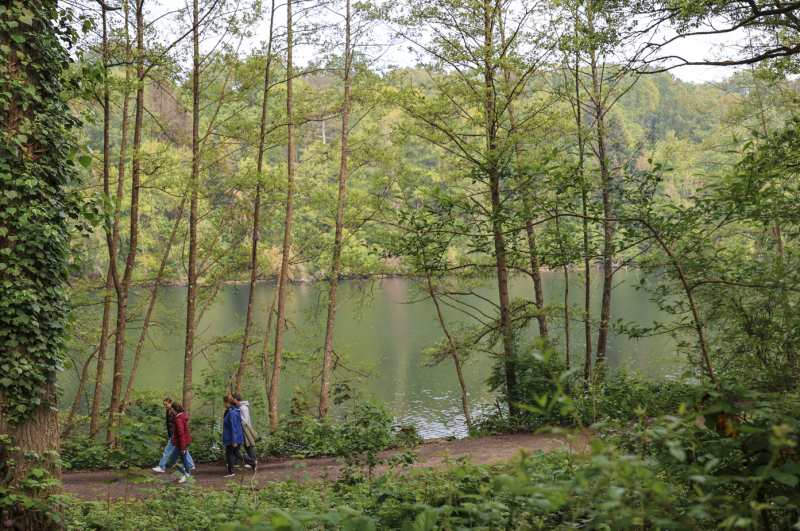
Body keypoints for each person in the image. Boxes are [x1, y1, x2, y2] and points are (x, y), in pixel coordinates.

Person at [152, 397, 195, 474]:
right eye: (164, 405)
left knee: (169, 452)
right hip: (174, 436)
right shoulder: (169, 412)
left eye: (166, 404)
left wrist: (174, 436)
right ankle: (190, 466)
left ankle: (162, 467)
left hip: (176, 436)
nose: (165, 406)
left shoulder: (175, 415)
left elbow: (180, 430)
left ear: (171, 404)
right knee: (183, 451)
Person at [222, 395, 256, 478]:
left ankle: (231, 472)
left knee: (229, 454)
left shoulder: (232, 412)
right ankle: (252, 463)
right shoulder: (234, 410)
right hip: (235, 436)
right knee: (236, 453)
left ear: (227, 402)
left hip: (232, 437)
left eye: (224, 402)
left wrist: (234, 441)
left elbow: (234, 427)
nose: (223, 404)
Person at [168, 402, 193, 484]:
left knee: (173, 459)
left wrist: (183, 447)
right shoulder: (181, 416)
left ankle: (185, 473)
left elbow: (181, 434)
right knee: (184, 458)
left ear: (173, 409)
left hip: (181, 442)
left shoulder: (179, 420)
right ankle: (188, 475)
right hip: (184, 441)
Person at [231, 393, 257, 464]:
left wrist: (236, 418)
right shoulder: (240, 407)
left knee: (247, 445)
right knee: (237, 446)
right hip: (241, 429)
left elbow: (245, 420)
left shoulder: (243, 408)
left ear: (236, 400)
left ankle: (253, 461)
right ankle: (235, 462)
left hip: (244, 429)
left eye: (232, 400)